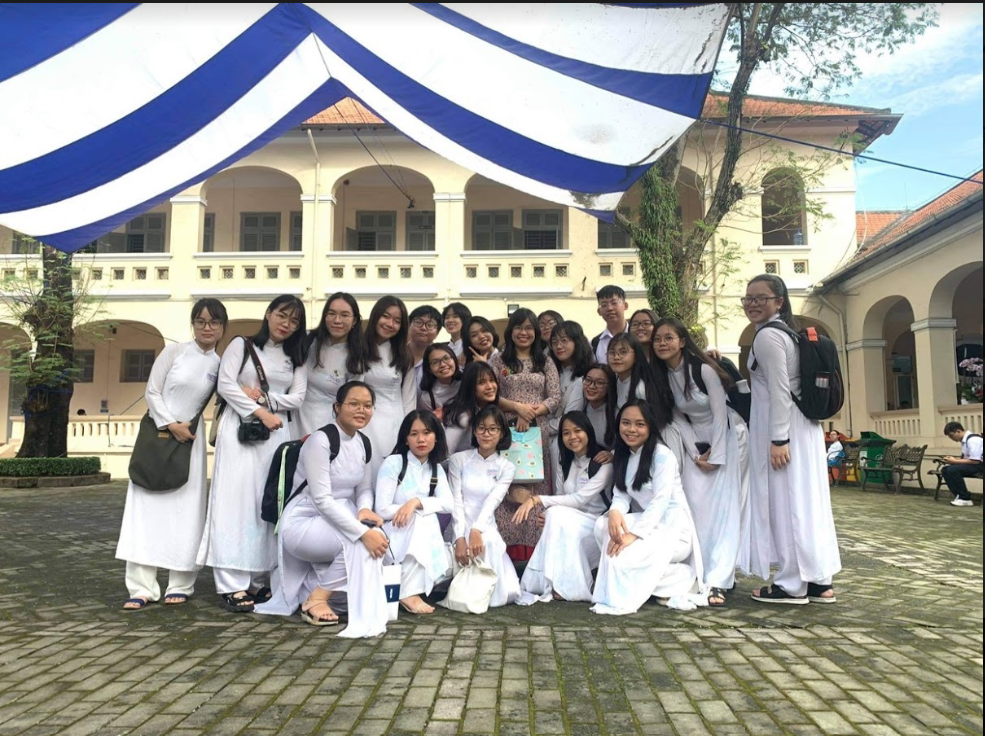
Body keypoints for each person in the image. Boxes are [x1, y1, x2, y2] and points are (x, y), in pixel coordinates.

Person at [197, 295, 308, 613]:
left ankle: (259, 580)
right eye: (282, 315)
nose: (286, 324)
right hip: (241, 433)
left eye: (294, 321)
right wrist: (259, 411)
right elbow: (225, 385)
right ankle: (231, 583)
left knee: (267, 502)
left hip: (276, 434)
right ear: (269, 314)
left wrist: (267, 401)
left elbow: (297, 398)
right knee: (236, 502)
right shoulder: (242, 345)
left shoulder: (295, 356)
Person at [117, 298, 227, 610]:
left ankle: (181, 583)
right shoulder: (174, 352)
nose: (207, 328)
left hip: (190, 440)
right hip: (158, 434)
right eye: (200, 321)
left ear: (222, 327)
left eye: (214, 322)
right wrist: (170, 423)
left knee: (187, 510)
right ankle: (141, 587)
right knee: (145, 510)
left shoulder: (219, 365)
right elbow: (152, 391)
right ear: (193, 324)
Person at [255, 381, 389, 637]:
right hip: (304, 520)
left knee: (379, 540)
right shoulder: (321, 441)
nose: (361, 410)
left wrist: (364, 510)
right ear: (337, 406)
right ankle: (316, 598)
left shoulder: (363, 442)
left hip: (339, 516)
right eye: (354, 404)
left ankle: (314, 588)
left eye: (367, 405)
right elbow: (322, 500)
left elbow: (364, 487)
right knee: (360, 542)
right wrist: (361, 532)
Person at [743, 274, 840, 605]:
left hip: (786, 432)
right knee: (809, 505)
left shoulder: (768, 337)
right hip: (804, 429)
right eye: (748, 298)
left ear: (779, 302)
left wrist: (779, 439)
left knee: (787, 505)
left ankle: (790, 584)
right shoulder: (784, 334)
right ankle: (819, 581)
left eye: (761, 298)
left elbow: (779, 391)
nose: (753, 304)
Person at [652, 317, 744, 607]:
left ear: (682, 341)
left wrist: (716, 455)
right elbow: (678, 418)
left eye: (669, 338)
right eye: (658, 339)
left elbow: (720, 413)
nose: (662, 343)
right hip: (696, 442)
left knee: (723, 511)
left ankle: (719, 579)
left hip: (726, 438)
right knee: (695, 507)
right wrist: (695, 453)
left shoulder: (703, 369)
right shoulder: (662, 375)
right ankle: (700, 571)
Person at [591, 401, 707, 615]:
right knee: (602, 526)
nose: (631, 429)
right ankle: (651, 582)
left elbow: (660, 502)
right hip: (648, 524)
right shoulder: (624, 455)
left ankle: (683, 577)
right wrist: (615, 512)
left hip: (673, 530)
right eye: (626, 423)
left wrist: (633, 535)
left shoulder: (663, 456)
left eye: (639, 424)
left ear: (650, 426)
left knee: (622, 559)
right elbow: (621, 493)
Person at [515, 412, 613, 604]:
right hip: (570, 524)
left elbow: (578, 500)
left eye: (578, 431)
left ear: (588, 432)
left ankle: (566, 586)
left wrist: (537, 500)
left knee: (555, 514)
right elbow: (560, 496)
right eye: (566, 433)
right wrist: (548, 515)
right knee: (553, 515)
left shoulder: (603, 464)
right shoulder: (565, 461)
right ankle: (557, 584)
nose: (572, 437)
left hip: (596, 525)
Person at [490, 308, 561, 561]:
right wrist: (517, 408)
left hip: (536, 434)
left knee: (533, 484)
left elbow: (555, 397)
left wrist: (530, 413)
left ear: (536, 332)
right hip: (506, 432)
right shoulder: (498, 361)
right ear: (510, 331)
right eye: (519, 327)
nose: (524, 332)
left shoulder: (545, 361)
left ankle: (534, 555)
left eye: (529, 328)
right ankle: (506, 554)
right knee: (507, 485)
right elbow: (490, 394)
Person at [375, 410, 453, 614]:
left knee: (423, 517)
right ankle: (408, 592)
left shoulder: (436, 469)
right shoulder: (394, 463)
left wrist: (416, 502)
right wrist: (410, 509)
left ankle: (411, 589)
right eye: (414, 434)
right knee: (421, 518)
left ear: (436, 437)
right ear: (405, 439)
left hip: (418, 533)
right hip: (391, 533)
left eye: (427, 433)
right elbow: (381, 509)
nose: (421, 439)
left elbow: (448, 504)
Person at [448, 405, 520, 608]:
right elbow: (456, 500)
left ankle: (480, 595)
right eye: (481, 428)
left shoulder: (507, 467)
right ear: (474, 431)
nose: (486, 434)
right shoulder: (459, 460)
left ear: (502, 433)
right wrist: (460, 536)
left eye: (493, 429)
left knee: (491, 546)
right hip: (460, 522)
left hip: (485, 524)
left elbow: (492, 501)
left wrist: (476, 530)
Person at [359, 296, 416, 481]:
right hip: (362, 419)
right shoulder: (358, 348)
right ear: (375, 316)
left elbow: (409, 399)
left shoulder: (404, 355)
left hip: (393, 422)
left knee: (388, 475)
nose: (390, 324)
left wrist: (410, 429)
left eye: (397, 321)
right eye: (386, 316)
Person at [298, 292, 366, 436]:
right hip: (296, 420)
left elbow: (352, 400)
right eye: (331, 314)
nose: (337, 320)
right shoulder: (307, 341)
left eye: (344, 315)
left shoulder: (356, 356)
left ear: (354, 320)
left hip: (330, 426)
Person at [547, 320, 591, 470]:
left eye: (564, 341)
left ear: (577, 342)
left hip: (562, 440)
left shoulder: (582, 378)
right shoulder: (551, 371)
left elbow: (570, 418)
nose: (558, 346)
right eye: (554, 342)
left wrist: (543, 428)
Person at [442, 362, 501, 454]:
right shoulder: (463, 416)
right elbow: (444, 452)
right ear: (470, 387)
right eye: (481, 382)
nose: (489, 387)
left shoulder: (489, 409)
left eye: (492, 380)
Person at [607, 333, 668, 415]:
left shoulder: (640, 389)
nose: (616, 357)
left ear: (636, 356)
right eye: (612, 352)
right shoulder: (616, 379)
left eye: (623, 352)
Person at [941, 422, 983, 507]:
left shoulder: (973, 440)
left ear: (958, 431)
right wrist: (952, 460)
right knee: (945, 470)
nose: (951, 438)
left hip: (980, 466)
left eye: (951, 435)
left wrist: (954, 461)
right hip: (975, 465)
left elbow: (975, 461)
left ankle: (965, 498)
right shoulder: (965, 440)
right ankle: (960, 496)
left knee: (952, 470)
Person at [418, 343, 462, 421]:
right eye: (435, 362)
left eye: (446, 358)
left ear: (454, 359)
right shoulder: (428, 398)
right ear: (429, 369)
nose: (443, 365)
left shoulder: (466, 381)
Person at [583, 364, 618, 455]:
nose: (591, 386)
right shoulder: (581, 407)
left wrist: (612, 454)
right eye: (588, 380)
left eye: (599, 382)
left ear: (609, 386)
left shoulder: (617, 413)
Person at [408, 305, 442, 392]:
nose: (423, 328)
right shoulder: (395, 352)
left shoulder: (442, 360)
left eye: (430, 325)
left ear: (437, 332)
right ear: (408, 325)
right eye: (418, 322)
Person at [592, 285, 629, 364]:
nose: (609, 308)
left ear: (625, 306)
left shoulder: (637, 336)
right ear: (599, 311)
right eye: (604, 305)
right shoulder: (595, 343)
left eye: (614, 303)